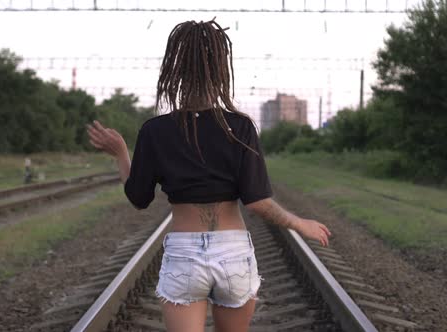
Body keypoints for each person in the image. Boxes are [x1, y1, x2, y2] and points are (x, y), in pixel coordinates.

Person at [86, 19, 332, 332]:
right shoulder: (240, 127)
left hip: (184, 254)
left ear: (174, 69)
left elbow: (138, 199)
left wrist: (121, 154)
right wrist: (301, 224)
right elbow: (257, 202)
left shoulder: (155, 131)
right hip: (233, 253)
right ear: (220, 70)